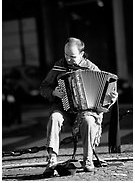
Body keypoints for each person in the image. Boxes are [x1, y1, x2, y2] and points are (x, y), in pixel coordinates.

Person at [40, 37, 118, 173]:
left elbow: (104, 100)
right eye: (66, 55)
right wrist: (53, 92)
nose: (68, 59)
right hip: (64, 109)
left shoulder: (92, 69)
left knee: (88, 121)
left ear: (82, 54)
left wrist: (111, 99)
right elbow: (43, 88)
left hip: (86, 112)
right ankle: (52, 160)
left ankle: (87, 160)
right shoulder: (59, 66)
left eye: (72, 56)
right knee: (54, 118)